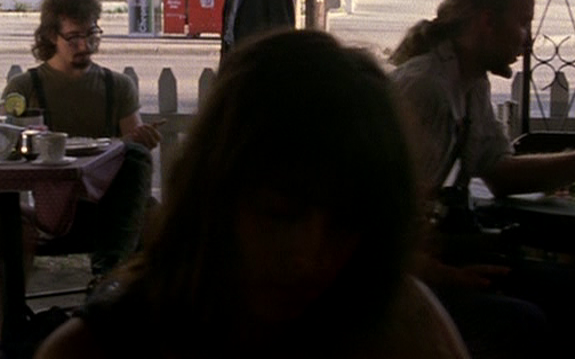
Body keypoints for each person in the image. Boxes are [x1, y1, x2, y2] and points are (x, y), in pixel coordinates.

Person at [35, 30, 471, 359]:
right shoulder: (102, 346)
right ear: (214, 192)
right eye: (279, 213)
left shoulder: (400, 323)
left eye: (345, 223)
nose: (308, 253)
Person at [390, 0, 575, 358]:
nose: (527, 40)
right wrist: (447, 275)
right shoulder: (426, 90)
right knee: (528, 319)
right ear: (486, 22)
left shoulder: (468, 80)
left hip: (426, 267)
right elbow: (379, 225)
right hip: (395, 283)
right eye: (523, 24)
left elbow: (500, 172)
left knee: (568, 287)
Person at [1, 0, 161, 278]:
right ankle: (14, 318)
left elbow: (134, 149)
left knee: (156, 211)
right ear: (52, 36)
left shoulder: (117, 86)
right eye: (74, 37)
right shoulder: (25, 88)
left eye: (92, 35)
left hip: (108, 204)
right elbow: (6, 147)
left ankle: (121, 293)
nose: (85, 45)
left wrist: (142, 139)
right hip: (53, 209)